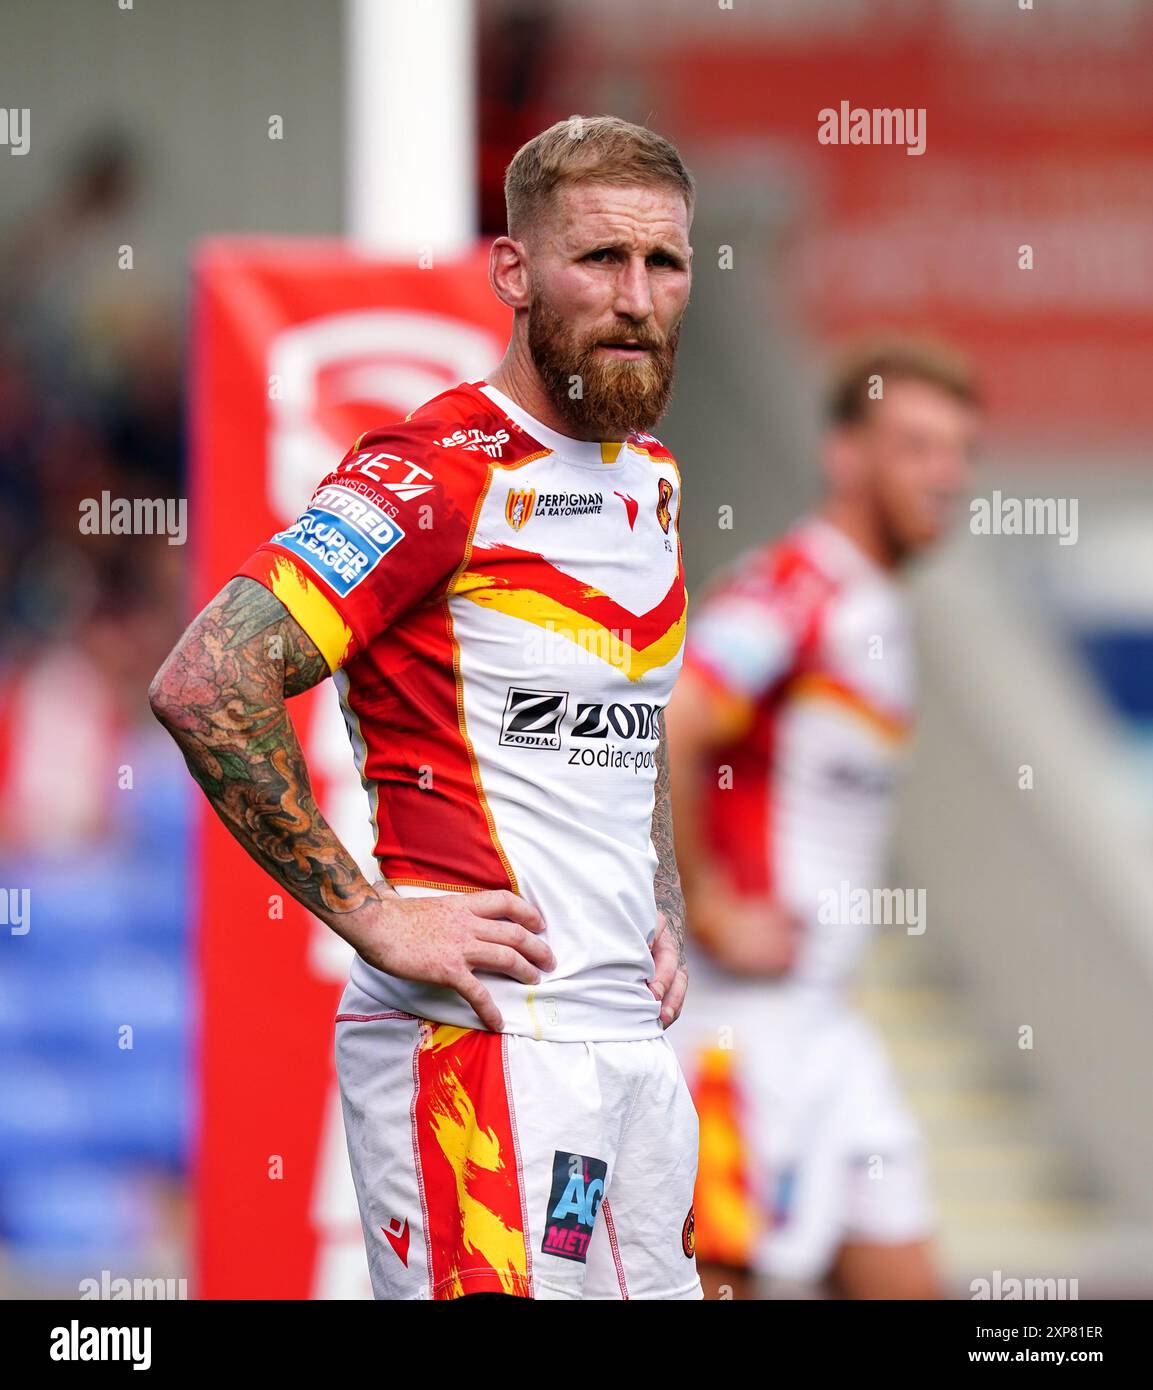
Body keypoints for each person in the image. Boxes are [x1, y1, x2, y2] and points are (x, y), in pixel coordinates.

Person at [150, 115, 701, 1301]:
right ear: (511, 271)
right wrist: (374, 915)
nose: (637, 298)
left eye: (665, 264)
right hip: (479, 1047)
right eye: (599, 259)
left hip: (631, 1050)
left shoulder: (647, 478)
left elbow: (627, 716)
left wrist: (659, 893)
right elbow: (206, 681)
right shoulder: (432, 470)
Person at [666, 341, 979, 1299]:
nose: (946, 476)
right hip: (741, 1032)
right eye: (916, 447)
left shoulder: (872, 602)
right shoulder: (796, 588)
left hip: (828, 1029)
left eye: (958, 452)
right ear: (845, 455)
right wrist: (708, 901)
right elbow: (675, 718)